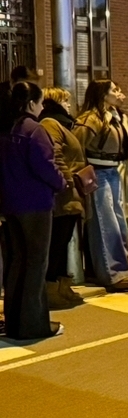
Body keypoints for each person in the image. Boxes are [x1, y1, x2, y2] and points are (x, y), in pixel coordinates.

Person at [0, 81, 67, 339]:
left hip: (11, 203)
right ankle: (33, 324)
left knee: (17, 262)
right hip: (35, 204)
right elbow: (46, 166)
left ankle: (15, 322)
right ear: (31, 103)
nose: (41, 108)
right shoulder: (34, 130)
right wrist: (61, 182)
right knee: (36, 263)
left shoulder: (8, 129)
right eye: (40, 103)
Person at [74, 80, 128, 292]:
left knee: (118, 221)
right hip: (98, 172)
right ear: (102, 94)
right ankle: (112, 272)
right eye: (114, 90)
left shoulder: (114, 116)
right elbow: (76, 144)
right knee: (105, 222)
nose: (118, 93)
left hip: (112, 170)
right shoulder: (91, 118)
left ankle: (122, 267)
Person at [38, 88, 87, 309]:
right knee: (57, 243)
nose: (69, 104)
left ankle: (62, 286)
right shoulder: (50, 123)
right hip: (63, 196)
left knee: (63, 242)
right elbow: (54, 154)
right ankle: (51, 290)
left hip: (70, 194)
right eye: (66, 100)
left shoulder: (62, 123)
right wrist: (65, 181)